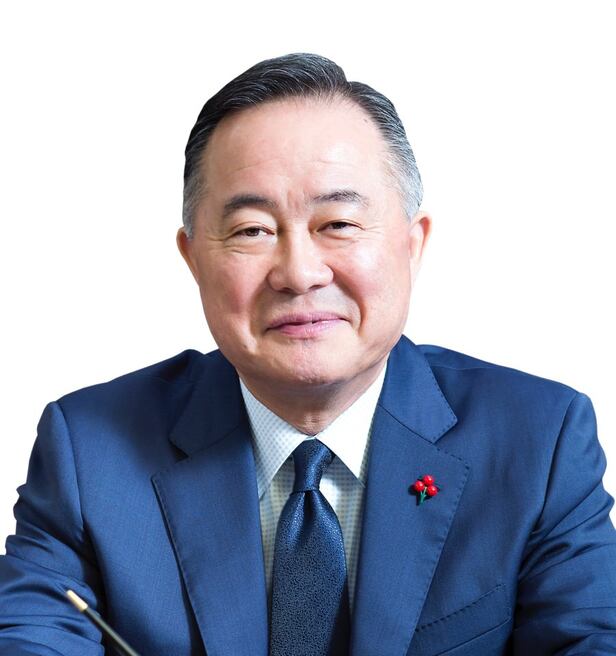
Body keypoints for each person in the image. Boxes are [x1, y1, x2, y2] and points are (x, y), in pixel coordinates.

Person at [1, 52, 615, 656]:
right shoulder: (89, 452)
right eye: (252, 231)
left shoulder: (539, 441)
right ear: (193, 259)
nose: (298, 273)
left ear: (412, 245)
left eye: (338, 224)